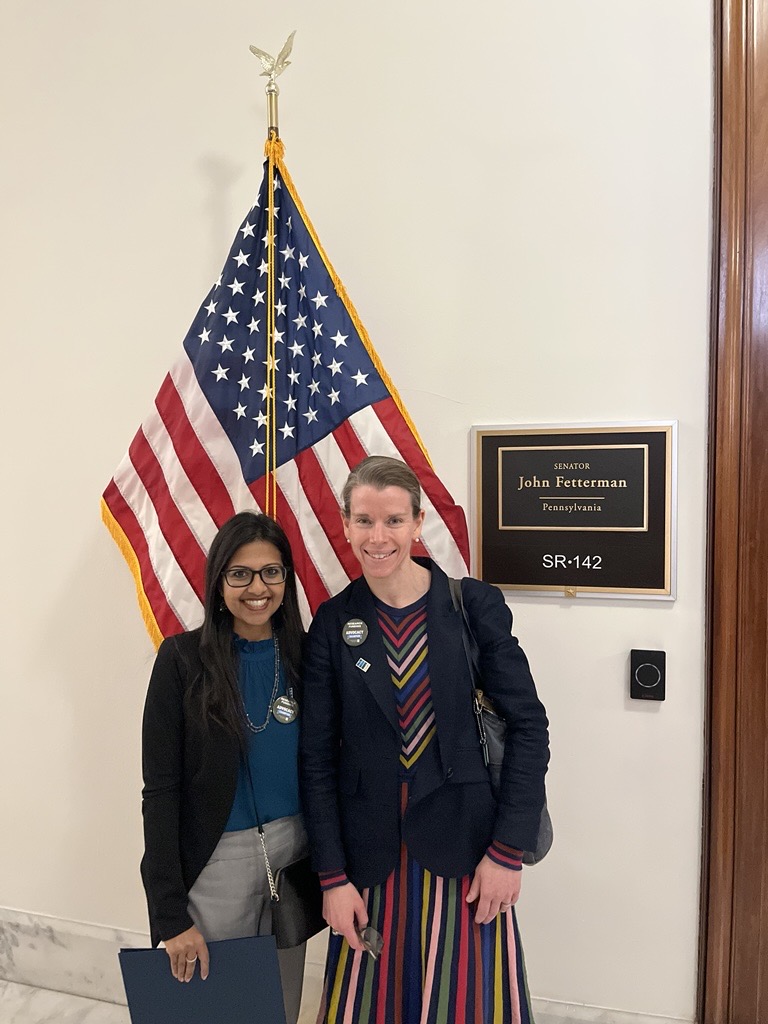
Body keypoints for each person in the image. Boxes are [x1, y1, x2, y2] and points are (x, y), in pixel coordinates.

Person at [300, 456, 549, 1023]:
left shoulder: (472, 606)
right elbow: (316, 760)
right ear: (345, 525)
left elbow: (529, 727)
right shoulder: (333, 624)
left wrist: (507, 853)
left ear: (417, 524)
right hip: (371, 861)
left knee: (464, 1003)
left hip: (467, 854)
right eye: (364, 521)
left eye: (392, 520)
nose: (378, 536)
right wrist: (332, 877)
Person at [140, 511, 308, 1024]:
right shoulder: (181, 661)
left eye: (271, 572)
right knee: (212, 1009)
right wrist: (169, 914)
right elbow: (160, 791)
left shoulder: (306, 655)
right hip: (217, 865)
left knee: (278, 1006)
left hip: (294, 857)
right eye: (240, 574)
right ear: (218, 584)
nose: (257, 587)